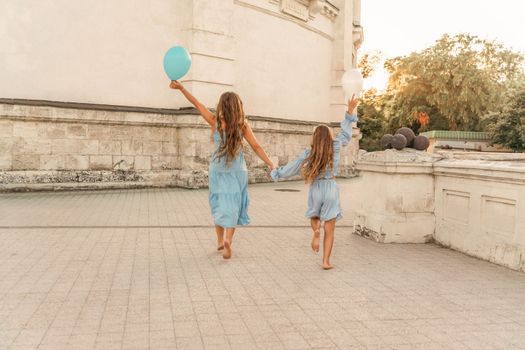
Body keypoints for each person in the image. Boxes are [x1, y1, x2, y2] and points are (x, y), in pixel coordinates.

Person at [170, 81, 275, 259]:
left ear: (221, 106)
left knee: (219, 203)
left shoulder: (215, 122)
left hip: (217, 170)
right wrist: (270, 163)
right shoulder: (243, 126)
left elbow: (197, 103)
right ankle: (228, 240)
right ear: (238, 108)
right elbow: (256, 146)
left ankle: (219, 241)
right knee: (233, 205)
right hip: (237, 171)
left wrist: (181, 88)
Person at [271, 95, 359, 269]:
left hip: (316, 187)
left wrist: (277, 173)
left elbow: (294, 167)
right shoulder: (336, 145)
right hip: (331, 187)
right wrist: (349, 111)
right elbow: (346, 133)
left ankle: (316, 230)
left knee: (315, 216)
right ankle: (326, 261)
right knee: (331, 228)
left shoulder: (309, 151)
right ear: (329, 135)